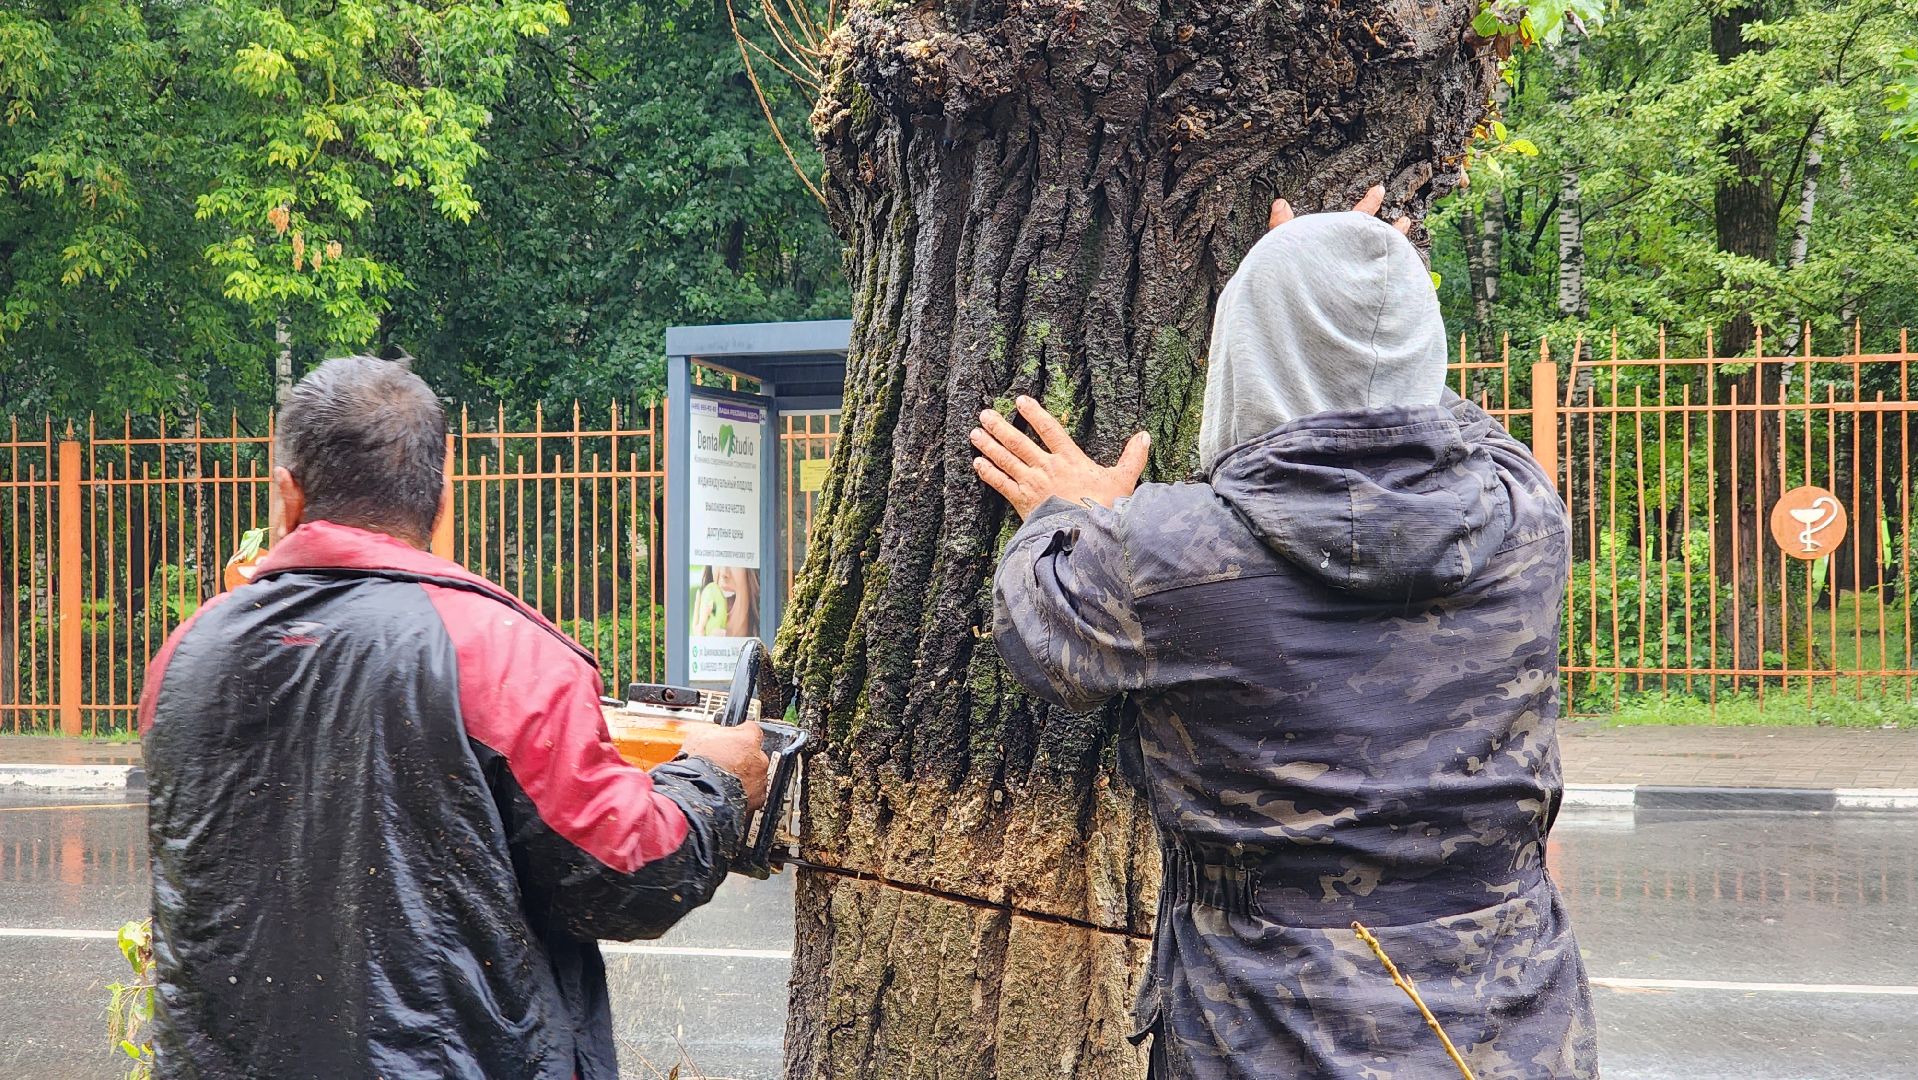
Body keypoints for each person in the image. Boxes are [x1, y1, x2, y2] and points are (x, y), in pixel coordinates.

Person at [971, 187, 1597, 1079]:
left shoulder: (1165, 554)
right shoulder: (1527, 516)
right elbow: (1439, 413)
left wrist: (1076, 513)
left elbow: (1039, 621)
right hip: (1511, 1031)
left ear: (1247, 353)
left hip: (1268, 1031)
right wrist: (1371, 304)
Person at [139, 356, 771, 1080]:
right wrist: (715, 780)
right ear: (440, 505)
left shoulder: (186, 654)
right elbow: (625, 875)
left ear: (286, 497)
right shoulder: (498, 654)